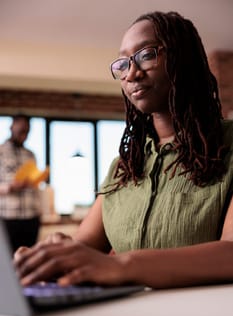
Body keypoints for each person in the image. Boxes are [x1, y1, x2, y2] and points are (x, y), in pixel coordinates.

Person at [15, 11, 233, 289]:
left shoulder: (230, 145)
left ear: (183, 57)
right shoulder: (124, 165)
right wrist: (50, 257)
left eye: (146, 55)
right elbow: (84, 247)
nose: (131, 72)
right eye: (123, 63)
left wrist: (122, 265)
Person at [0, 115, 41, 252]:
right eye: (21, 131)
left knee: (29, 260)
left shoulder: (31, 155)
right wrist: (10, 187)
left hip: (31, 217)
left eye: (27, 132)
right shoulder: (1, 152)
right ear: (12, 127)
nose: (24, 135)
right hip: (8, 219)